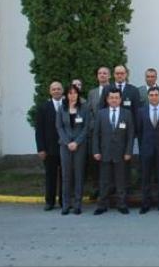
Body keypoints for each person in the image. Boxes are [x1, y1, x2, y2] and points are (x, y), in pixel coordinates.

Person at [92, 88, 134, 215]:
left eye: (116, 98)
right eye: (111, 98)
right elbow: (96, 134)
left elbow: (130, 135)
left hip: (121, 153)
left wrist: (128, 152)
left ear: (120, 99)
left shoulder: (127, 114)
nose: (114, 100)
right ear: (107, 99)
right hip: (104, 152)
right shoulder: (101, 113)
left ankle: (122, 204)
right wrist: (96, 151)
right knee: (104, 181)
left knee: (121, 180)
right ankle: (102, 205)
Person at [56, 84, 90, 215]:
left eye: (75, 93)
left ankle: (77, 204)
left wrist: (76, 142)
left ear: (78, 94)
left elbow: (86, 128)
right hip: (64, 147)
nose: (72, 95)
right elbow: (59, 127)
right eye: (70, 93)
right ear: (66, 95)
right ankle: (66, 204)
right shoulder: (61, 109)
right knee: (66, 176)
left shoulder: (84, 108)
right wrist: (67, 142)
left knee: (78, 175)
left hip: (79, 146)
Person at [35, 81, 64, 211]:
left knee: (65, 176)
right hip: (49, 149)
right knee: (50, 176)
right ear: (50, 91)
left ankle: (64, 201)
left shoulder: (68, 106)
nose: (56, 91)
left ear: (62, 91)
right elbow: (39, 130)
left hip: (65, 148)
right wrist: (41, 149)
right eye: (54, 89)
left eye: (58, 89)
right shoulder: (43, 107)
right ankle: (50, 202)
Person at [86, 66, 111, 200]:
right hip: (96, 131)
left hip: (111, 132)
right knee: (96, 161)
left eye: (105, 73)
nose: (102, 75)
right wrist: (94, 126)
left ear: (109, 76)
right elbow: (89, 111)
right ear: (97, 76)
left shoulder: (114, 90)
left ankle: (111, 188)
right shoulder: (92, 92)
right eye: (100, 73)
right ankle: (97, 188)